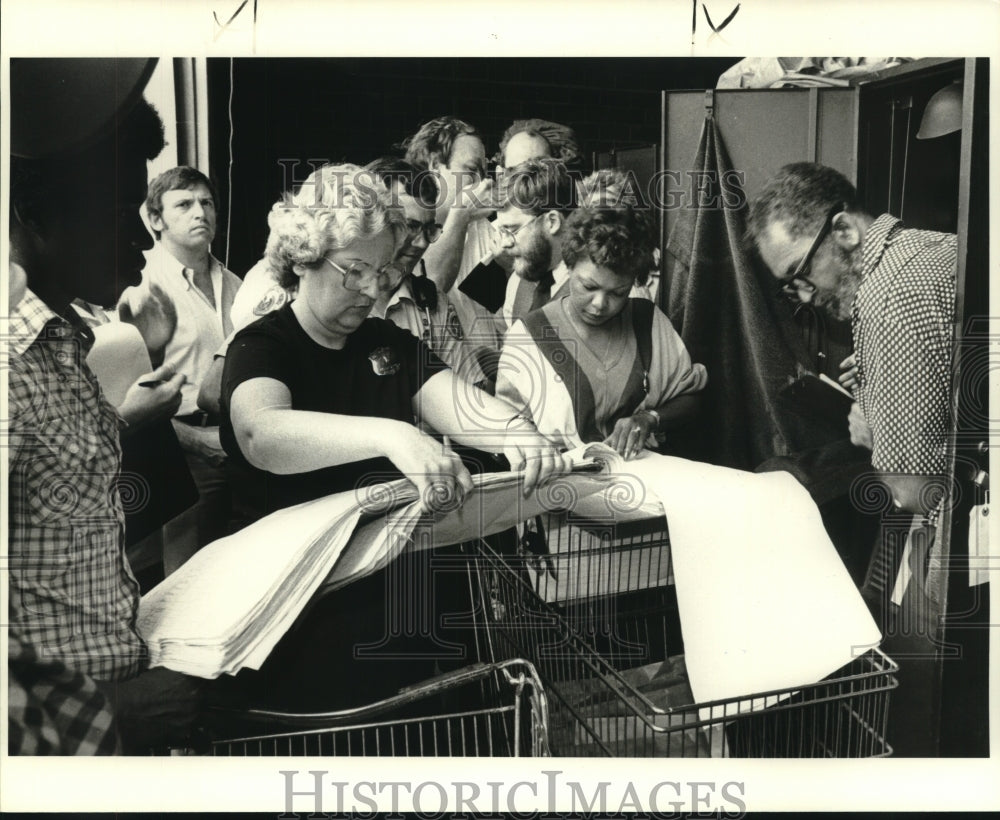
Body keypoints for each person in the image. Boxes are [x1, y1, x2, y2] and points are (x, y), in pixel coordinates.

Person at [217, 164, 571, 708]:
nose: (371, 288)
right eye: (353, 270)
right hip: (297, 613)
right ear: (304, 258)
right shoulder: (263, 346)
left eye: (382, 271)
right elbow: (261, 433)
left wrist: (519, 434)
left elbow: (457, 402)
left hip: (388, 598)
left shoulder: (385, 343)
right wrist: (392, 436)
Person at [8, 59, 201, 753]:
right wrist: (109, 716)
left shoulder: (65, 349)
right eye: (121, 212)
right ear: (33, 215)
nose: (145, 238)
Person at [747, 162, 956, 518]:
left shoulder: (887, 296)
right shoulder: (938, 248)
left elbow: (914, 491)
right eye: (791, 287)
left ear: (843, 229)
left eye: (801, 272)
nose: (808, 297)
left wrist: (877, 430)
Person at [496, 200, 707, 457]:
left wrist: (649, 419)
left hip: (644, 473)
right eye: (588, 287)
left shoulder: (647, 321)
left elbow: (692, 397)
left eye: (618, 292)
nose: (600, 304)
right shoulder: (528, 336)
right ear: (570, 265)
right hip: (561, 482)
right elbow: (508, 428)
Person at [119, 166, 243, 571]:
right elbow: (123, 396)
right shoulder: (140, 289)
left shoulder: (237, 285)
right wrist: (195, 440)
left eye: (206, 203)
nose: (199, 213)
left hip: (239, 445)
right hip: (181, 450)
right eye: (184, 204)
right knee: (185, 577)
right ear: (155, 220)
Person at [493, 157, 578, 330]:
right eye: (502, 231)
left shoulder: (595, 287)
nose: (504, 243)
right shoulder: (517, 282)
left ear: (552, 222)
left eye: (512, 230)